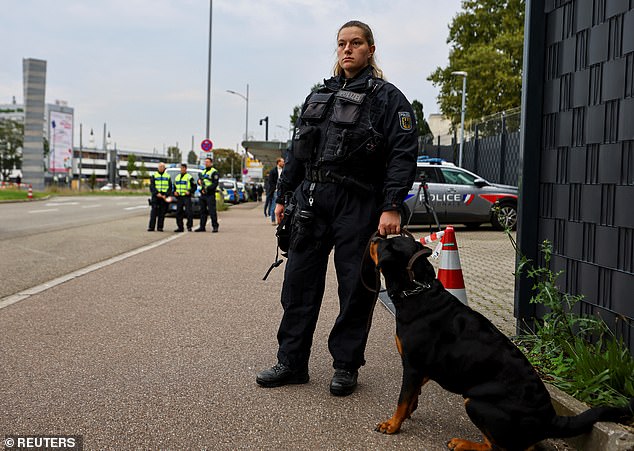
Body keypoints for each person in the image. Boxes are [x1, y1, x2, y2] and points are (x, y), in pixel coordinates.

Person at [256, 20, 418, 396]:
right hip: (311, 202)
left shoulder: (389, 98)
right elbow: (298, 151)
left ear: (370, 50)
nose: (347, 49)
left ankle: (346, 366)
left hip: (358, 203)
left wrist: (392, 205)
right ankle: (292, 362)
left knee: (355, 287)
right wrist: (283, 196)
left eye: (356, 43)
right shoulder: (319, 96)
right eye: (342, 43)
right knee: (298, 283)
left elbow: (402, 155)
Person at [195, 157, 220, 233]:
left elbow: (215, 183)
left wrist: (207, 189)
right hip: (203, 194)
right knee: (202, 211)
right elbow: (199, 181)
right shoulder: (203, 172)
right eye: (205, 162)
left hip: (210, 194)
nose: (206, 163)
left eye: (208, 162)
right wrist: (198, 182)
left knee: (212, 211)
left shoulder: (214, 172)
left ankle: (215, 226)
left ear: (211, 163)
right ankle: (202, 226)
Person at [147, 162, 172, 232]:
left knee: (162, 213)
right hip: (156, 196)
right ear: (158, 168)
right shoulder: (154, 175)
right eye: (160, 167)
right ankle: (151, 227)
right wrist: (156, 193)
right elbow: (152, 186)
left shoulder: (167, 176)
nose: (161, 168)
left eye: (162, 167)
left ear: (164, 168)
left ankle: (160, 227)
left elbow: (170, 187)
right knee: (153, 212)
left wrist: (166, 195)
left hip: (164, 196)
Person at [173, 163, 195, 232]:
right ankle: (180, 227)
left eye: (183, 168)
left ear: (185, 169)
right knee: (178, 213)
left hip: (186, 197)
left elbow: (194, 186)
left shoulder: (189, 177)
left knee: (188, 212)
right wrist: (174, 192)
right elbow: (174, 186)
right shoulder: (177, 177)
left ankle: (189, 226)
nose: (182, 169)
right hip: (179, 197)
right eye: (181, 168)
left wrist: (190, 191)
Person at [266, 158, 285, 224]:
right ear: (278, 162)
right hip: (276, 191)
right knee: (274, 205)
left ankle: (280, 219)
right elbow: (270, 181)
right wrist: (274, 189)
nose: (283, 163)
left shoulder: (284, 170)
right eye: (282, 162)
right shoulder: (273, 171)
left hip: (283, 190)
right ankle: (273, 220)